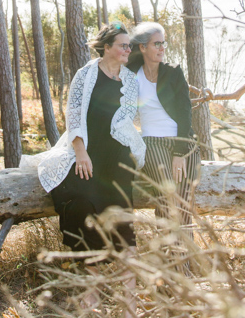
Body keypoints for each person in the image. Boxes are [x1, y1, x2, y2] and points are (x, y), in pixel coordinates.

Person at [38, 22, 145, 315]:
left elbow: (125, 120)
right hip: (87, 153)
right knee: (84, 212)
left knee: (125, 225)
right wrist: (81, 152)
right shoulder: (86, 74)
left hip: (117, 157)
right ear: (107, 47)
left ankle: (130, 305)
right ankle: (91, 302)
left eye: (129, 46)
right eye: (123, 45)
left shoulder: (130, 79)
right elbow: (74, 114)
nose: (128, 50)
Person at [127, 22, 200, 234]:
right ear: (142, 47)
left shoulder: (174, 72)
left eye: (163, 43)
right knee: (168, 202)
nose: (162, 48)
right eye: (156, 44)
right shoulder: (132, 72)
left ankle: (182, 266)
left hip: (183, 142)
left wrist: (180, 152)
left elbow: (186, 113)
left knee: (184, 207)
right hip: (152, 142)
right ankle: (172, 262)